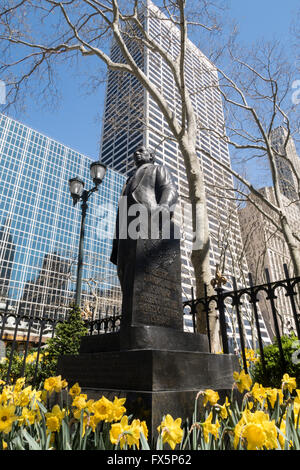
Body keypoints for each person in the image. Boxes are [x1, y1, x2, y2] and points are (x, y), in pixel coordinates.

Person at [110, 145, 178, 315]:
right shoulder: (128, 180)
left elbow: (169, 188)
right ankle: (130, 315)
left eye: (141, 151)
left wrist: (164, 205)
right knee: (124, 273)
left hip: (149, 221)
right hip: (126, 231)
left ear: (151, 156)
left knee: (148, 273)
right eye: (135, 153)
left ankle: (149, 315)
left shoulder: (157, 169)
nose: (137, 154)